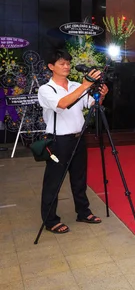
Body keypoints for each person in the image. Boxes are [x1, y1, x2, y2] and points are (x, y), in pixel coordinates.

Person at [37, 49, 108, 234]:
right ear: (51, 67)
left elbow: (92, 104)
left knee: (79, 179)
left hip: (78, 138)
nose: (67, 66)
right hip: (58, 141)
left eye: (68, 63)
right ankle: (50, 220)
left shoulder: (76, 84)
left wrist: (102, 95)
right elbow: (62, 104)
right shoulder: (46, 89)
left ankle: (83, 212)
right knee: (54, 181)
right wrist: (84, 86)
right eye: (62, 63)